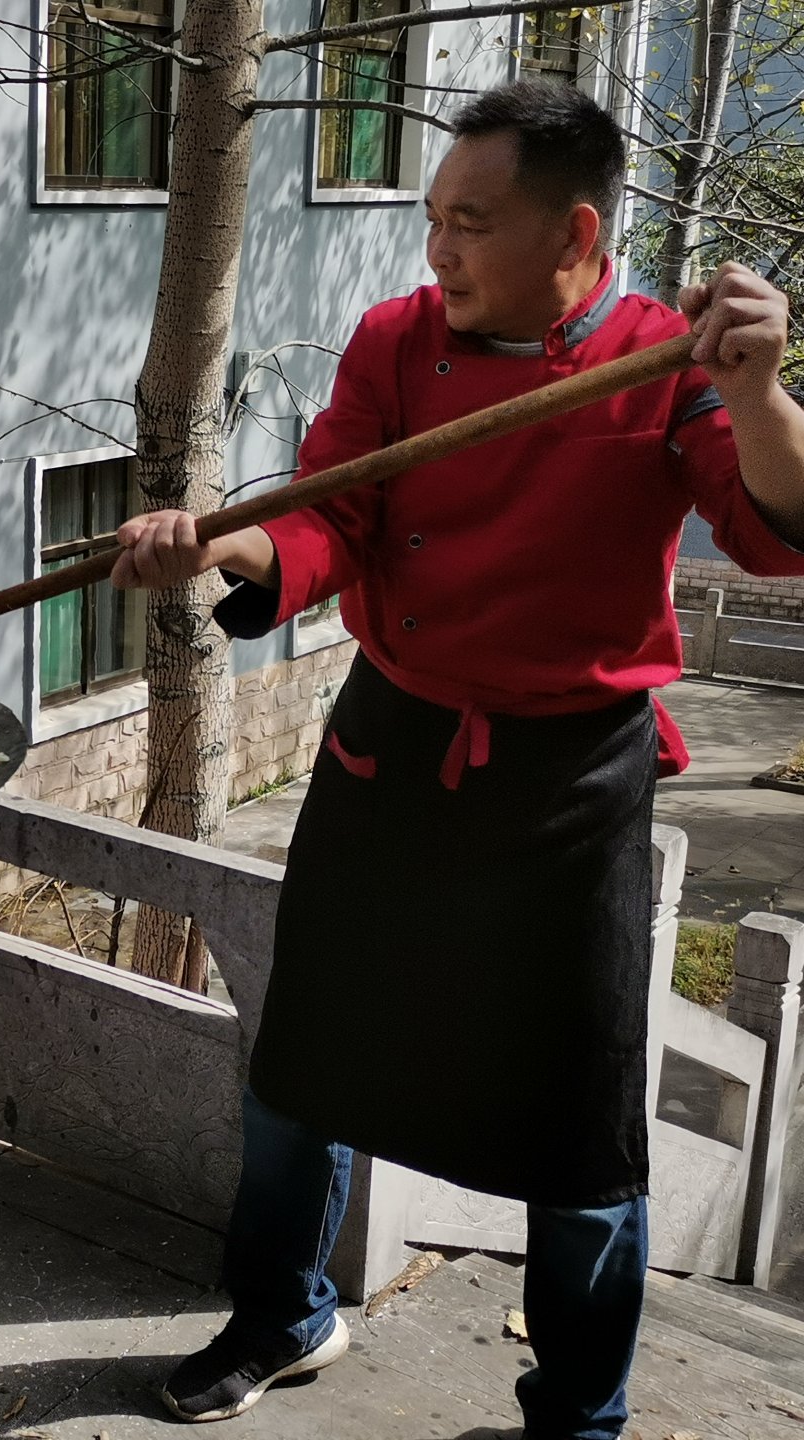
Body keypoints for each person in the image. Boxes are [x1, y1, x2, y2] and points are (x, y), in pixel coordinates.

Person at [110, 80, 804, 1438]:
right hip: (394, 743)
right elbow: (326, 524)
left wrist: (763, 391)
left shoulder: (666, 362)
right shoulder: (394, 342)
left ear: (575, 235)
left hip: (572, 785)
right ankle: (283, 1314)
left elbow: (775, 529)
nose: (437, 251)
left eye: (470, 223)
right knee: (302, 1070)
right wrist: (221, 546)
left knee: (584, 1131)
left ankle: (581, 1412)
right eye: (433, 219)